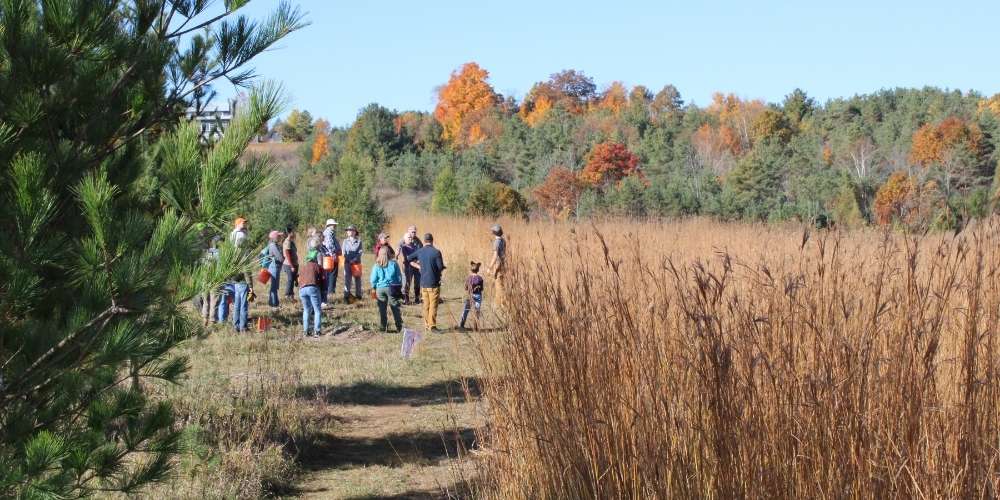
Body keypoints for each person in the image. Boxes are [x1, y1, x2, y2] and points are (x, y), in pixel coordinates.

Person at [407, 233, 446, 332]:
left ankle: (426, 325)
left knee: (426, 305)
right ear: (432, 241)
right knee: (433, 305)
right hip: (434, 283)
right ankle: (432, 325)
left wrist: (418, 266)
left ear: (424, 241)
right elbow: (440, 267)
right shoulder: (436, 252)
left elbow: (409, 258)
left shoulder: (420, 251)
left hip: (423, 283)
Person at [370, 246, 404, 333]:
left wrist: (373, 287)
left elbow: (373, 279)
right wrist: (399, 287)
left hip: (380, 289)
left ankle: (383, 327)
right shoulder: (394, 264)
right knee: (395, 307)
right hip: (391, 288)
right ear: (389, 253)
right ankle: (399, 326)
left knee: (382, 309)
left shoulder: (376, 265)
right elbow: (399, 277)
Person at [298, 248, 324, 337]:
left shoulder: (302, 266)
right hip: (312, 287)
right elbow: (323, 278)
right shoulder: (316, 266)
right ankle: (317, 331)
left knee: (306, 310)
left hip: (301, 289)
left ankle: (305, 331)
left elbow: (298, 279)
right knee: (317, 310)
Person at [398, 226, 422, 305]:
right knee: (407, 282)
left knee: (417, 282)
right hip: (408, 266)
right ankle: (406, 298)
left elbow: (420, 252)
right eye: (412, 232)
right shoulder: (403, 244)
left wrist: (419, 261)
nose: (413, 234)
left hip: (416, 265)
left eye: (415, 232)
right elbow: (402, 256)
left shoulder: (417, 243)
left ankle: (417, 298)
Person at [200, 235, 221, 325]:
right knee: (214, 300)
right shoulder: (219, 253)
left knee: (205, 300)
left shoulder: (204, 253)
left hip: (204, 278)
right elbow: (220, 266)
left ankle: (205, 318)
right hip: (215, 278)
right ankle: (212, 320)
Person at [485, 224, 507, 307]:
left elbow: (495, 256)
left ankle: (500, 303)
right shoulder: (503, 240)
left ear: (494, 232)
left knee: (498, 284)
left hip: (498, 265)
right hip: (503, 263)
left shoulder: (496, 242)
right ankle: (502, 302)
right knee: (501, 283)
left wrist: (490, 268)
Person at [459, 261, 484, 331]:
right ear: (478, 270)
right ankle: (475, 327)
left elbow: (465, 288)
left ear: (471, 269)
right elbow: (482, 289)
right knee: (477, 310)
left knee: (466, 310)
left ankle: (461, 325)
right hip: (478, 295)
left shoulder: (468, 278)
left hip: (470, 295)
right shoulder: (480, 278)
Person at [321, 219, 340, 306]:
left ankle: (330, 290)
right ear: (329, 225)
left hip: (329, 256)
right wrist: (333, 254)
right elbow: (329, 245)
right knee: (332, 273)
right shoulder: (329, 232)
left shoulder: (329, 232)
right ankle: (330, 291)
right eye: (333, 224)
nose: (334, 226)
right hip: (330, 256)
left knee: (330, 273)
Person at [342, 225, 363, 301]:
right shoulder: (345, 241)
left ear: (355, 232)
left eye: (351, 230)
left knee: (357, 279)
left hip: (356, 263)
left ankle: (358, 295)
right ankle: (346, 296)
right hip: (347, 263)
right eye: (348, 230)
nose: (349, 231)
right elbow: (343, 252)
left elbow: (360, 252)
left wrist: (354, 260)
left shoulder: (359, 241)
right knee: (347, 279)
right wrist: (348, 260)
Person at [265, 230, 284, 307]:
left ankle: (273, 302)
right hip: (274, 267)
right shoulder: (273, 245)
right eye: (278, 236)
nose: (280, 237)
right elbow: (279, 257)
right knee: (274, 286)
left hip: (274, 266)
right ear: (274, 237)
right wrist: (284, 260)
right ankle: (274, 304)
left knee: (274, 286)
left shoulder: (274, 244)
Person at [282, 227, 298, 299]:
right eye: (293, 232)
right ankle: (287, 295)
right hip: (288, 264)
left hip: (294, 263)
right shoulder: (287, 241)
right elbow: (287, 254)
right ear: (289, 233)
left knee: (293, 279)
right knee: (290, 279)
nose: (294, 233)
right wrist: (291, 266)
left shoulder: (291, 241)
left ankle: (291, 295)